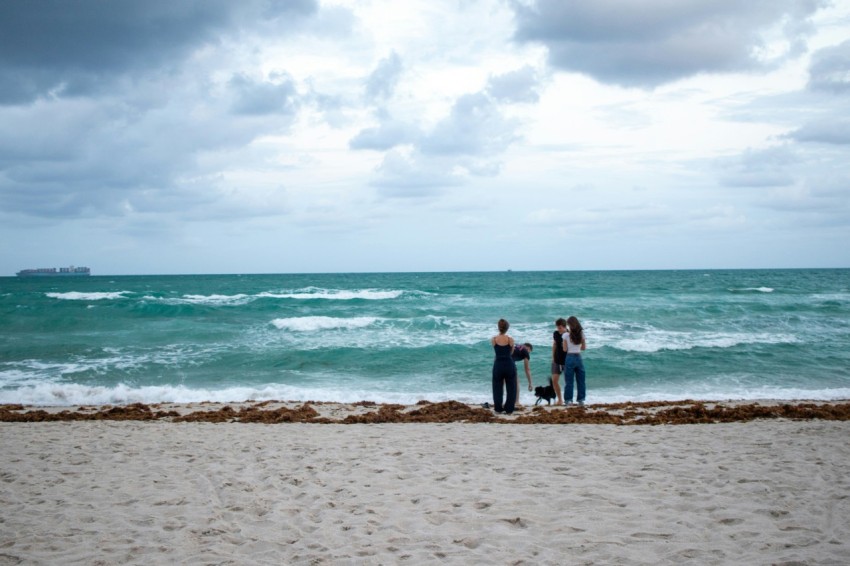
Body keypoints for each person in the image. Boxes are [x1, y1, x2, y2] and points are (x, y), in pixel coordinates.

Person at [490, 319, 517, 414]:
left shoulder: (494, 339)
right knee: (511, 386)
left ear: (498, 327)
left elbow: (496, 352)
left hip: (498, 364)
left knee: (497, 386)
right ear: (507, 328)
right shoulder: (510, 339)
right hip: (509, 363)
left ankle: (498, 408)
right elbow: (512, 352)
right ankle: (509, 408)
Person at [562, 316, 587, 406]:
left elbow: (564, 349)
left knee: (569, 381)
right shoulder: (581, 334)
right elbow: (584, 348)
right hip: (579, 357)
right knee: (581, 380)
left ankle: (568, 400)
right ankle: (581, 400)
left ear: (569, 325)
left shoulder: (565, 335)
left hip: (569, 357)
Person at [551, 318, 567, 405]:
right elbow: (554, 345)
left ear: (565, 327)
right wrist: (553, 357)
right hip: (556, 360)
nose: (558, 329)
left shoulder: (569, 334)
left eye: (560, 327)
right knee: (554, 381)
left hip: (567, 361)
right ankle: (560, 399)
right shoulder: (556, 333)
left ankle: (568, 399)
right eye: (557, 327)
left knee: (567, 381)